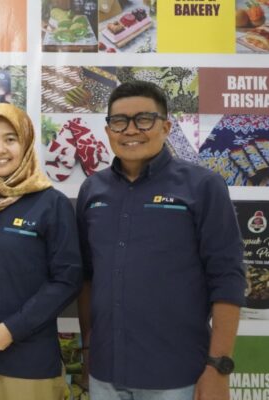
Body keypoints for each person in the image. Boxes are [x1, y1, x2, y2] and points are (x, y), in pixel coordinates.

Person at [76, 81, 245, 400]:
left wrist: (218, 368)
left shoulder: (203, 186)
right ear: (108, 130)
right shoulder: (92, 190)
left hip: (177, 376)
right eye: (119, 121)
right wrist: (88, 348)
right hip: (105, 374)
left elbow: (228, 278)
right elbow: (86, 277)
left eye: (144, 119)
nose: (130, 130)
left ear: (166, 127)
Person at [0, 103, 81, 400]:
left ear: (27, 143)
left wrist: (14, 328)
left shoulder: (50, 204)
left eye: (11, 139)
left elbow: (67, 279)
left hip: (28, 360)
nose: (0, 149)